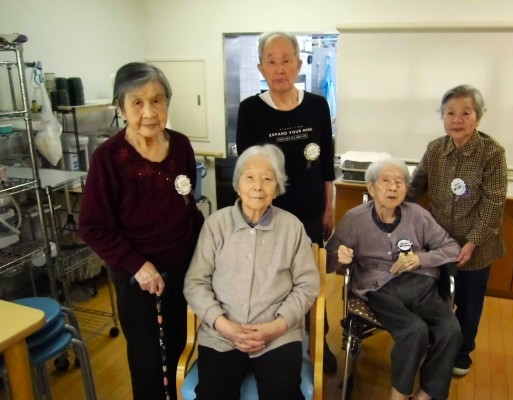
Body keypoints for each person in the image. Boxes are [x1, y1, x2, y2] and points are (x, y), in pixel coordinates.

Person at [79, 62, 204, 399]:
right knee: (148, 363)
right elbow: (92, 226)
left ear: (167, 102)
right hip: (138, 280)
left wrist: (210, 249)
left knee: (182, 350)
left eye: (157, 100)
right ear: (120, 109)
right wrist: (137, 265)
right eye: (137, 102)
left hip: (184, 270)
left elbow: (188, 207)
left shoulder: (181, 146)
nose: (149, 112)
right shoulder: (108, 158)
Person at [235, 31, 338, 372]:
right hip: (269, 219)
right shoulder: (251, 110)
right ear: (261, 68)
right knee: (272, 282)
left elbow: (326, 164)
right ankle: (276, 343)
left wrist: (328, 207)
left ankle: (318, 342)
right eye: (271, 61)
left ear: (298, 63)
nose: (279, 68)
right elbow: (246, 168)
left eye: (286, 60)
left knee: (311, 281)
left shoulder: (317, 106)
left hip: (310, 213)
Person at [183, 144, 320, 400]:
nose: (258, 186)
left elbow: (307, 284)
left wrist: (278, 326)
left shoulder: (292, 227)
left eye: (267, 179)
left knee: (283, 394)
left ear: (276, 189)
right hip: (222, 335)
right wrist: (223, 325)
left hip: (278, 336)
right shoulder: (216, 225)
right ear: (237, 185)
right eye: (249, 177)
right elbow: (195, 283)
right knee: (214, 394)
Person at [326, 158, 462, 400]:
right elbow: (326, 260)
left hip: (420, 285)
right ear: (371, 188)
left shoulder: (418, 215)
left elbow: (451, 248)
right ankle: (398, 397)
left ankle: (425, 395)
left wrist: (420, 259)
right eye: (385, 181)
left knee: (450, 331)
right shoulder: (355, 219)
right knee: (414, 331)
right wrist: (339, 256)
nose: (392, 187)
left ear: (406, 189)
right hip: (379, 289)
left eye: (399, 182)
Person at [406, 84, 508, 377]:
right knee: (436, 297)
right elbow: (417, 185)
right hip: (438, 243)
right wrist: (390, 201)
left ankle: (462, 353)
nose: (457, 119)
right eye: (450, 113)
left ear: (479, 116)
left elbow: (493, 203)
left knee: (468, 302)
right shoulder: (436, 149)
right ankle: (437, 344)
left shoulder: (492, 153)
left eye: (466, 113)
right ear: (442, 116)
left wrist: (472, 242)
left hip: (476, 245)